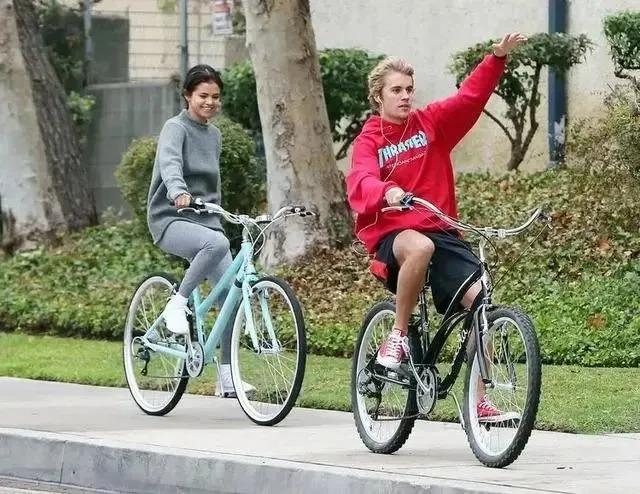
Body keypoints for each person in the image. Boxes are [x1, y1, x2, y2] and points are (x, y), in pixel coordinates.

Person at [346, 33, 527, 421]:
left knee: (481, 303)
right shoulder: (369, 140)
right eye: (396, 90)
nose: (405, 96)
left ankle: (480, 402)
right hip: (395, 233)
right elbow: (360, 179)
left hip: (441, 230)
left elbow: (469, 99)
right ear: (378, 96)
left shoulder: (430, 124)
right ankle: (397, 336)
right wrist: (387, 191)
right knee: (420, 247)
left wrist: (496, 58)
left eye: (409, 89)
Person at [147, 64, 252, 398]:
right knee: (216, 243)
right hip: (171, 217)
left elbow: (212, 185)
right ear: (187, 96)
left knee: (231, 295)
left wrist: (221, 213)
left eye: (216, 97)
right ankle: (176, 304)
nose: (210, 102)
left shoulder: (214, 135)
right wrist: (178, 192)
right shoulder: (175, 128)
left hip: (206, 222)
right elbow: (170, 165)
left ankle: (227, 377)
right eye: (203, 95)